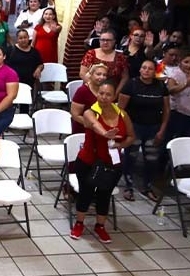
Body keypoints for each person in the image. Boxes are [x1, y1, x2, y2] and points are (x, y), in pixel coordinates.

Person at [69, 81, 135, 244]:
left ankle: (100, 226)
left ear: (114, 97)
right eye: (101, 93)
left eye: (108, 94)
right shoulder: (91, 112)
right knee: (86, 193)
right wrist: (106, 134)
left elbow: (131, 136)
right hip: (88, 161)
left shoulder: (122, 114)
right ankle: (79, 223)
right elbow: (94, 124)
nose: (103, 97)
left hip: (112, 163)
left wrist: (120, 145)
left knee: (105, 195)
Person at [118, 60, 169, 202]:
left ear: (155, 72)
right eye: (144, 68)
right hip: (134, 127)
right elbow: (121, 109)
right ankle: (128, 187)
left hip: (154, 127)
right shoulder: (131, 85)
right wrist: (126, 130)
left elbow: (166, 110)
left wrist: (162, 130)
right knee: (131, 156)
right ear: (140, 70)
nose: (146, 71)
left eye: (150, 69)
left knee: (152, 159)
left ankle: (147, 187)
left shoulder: (160, 86)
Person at [165, 49, 190, 140]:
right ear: (180, 61)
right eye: (186, 62)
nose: (189, 65)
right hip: (178, 114)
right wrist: (186, 84)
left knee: (187, 142)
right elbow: (171, 90)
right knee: (174, 141)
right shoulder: (175, 73)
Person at [71, 63, 109, 134]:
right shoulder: (82, 91)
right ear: (91, 75)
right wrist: (94, 125)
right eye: (98, 74)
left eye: (104, 75)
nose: (102, 77)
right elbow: (75, 115)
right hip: (83, 129)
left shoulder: (106, 90)